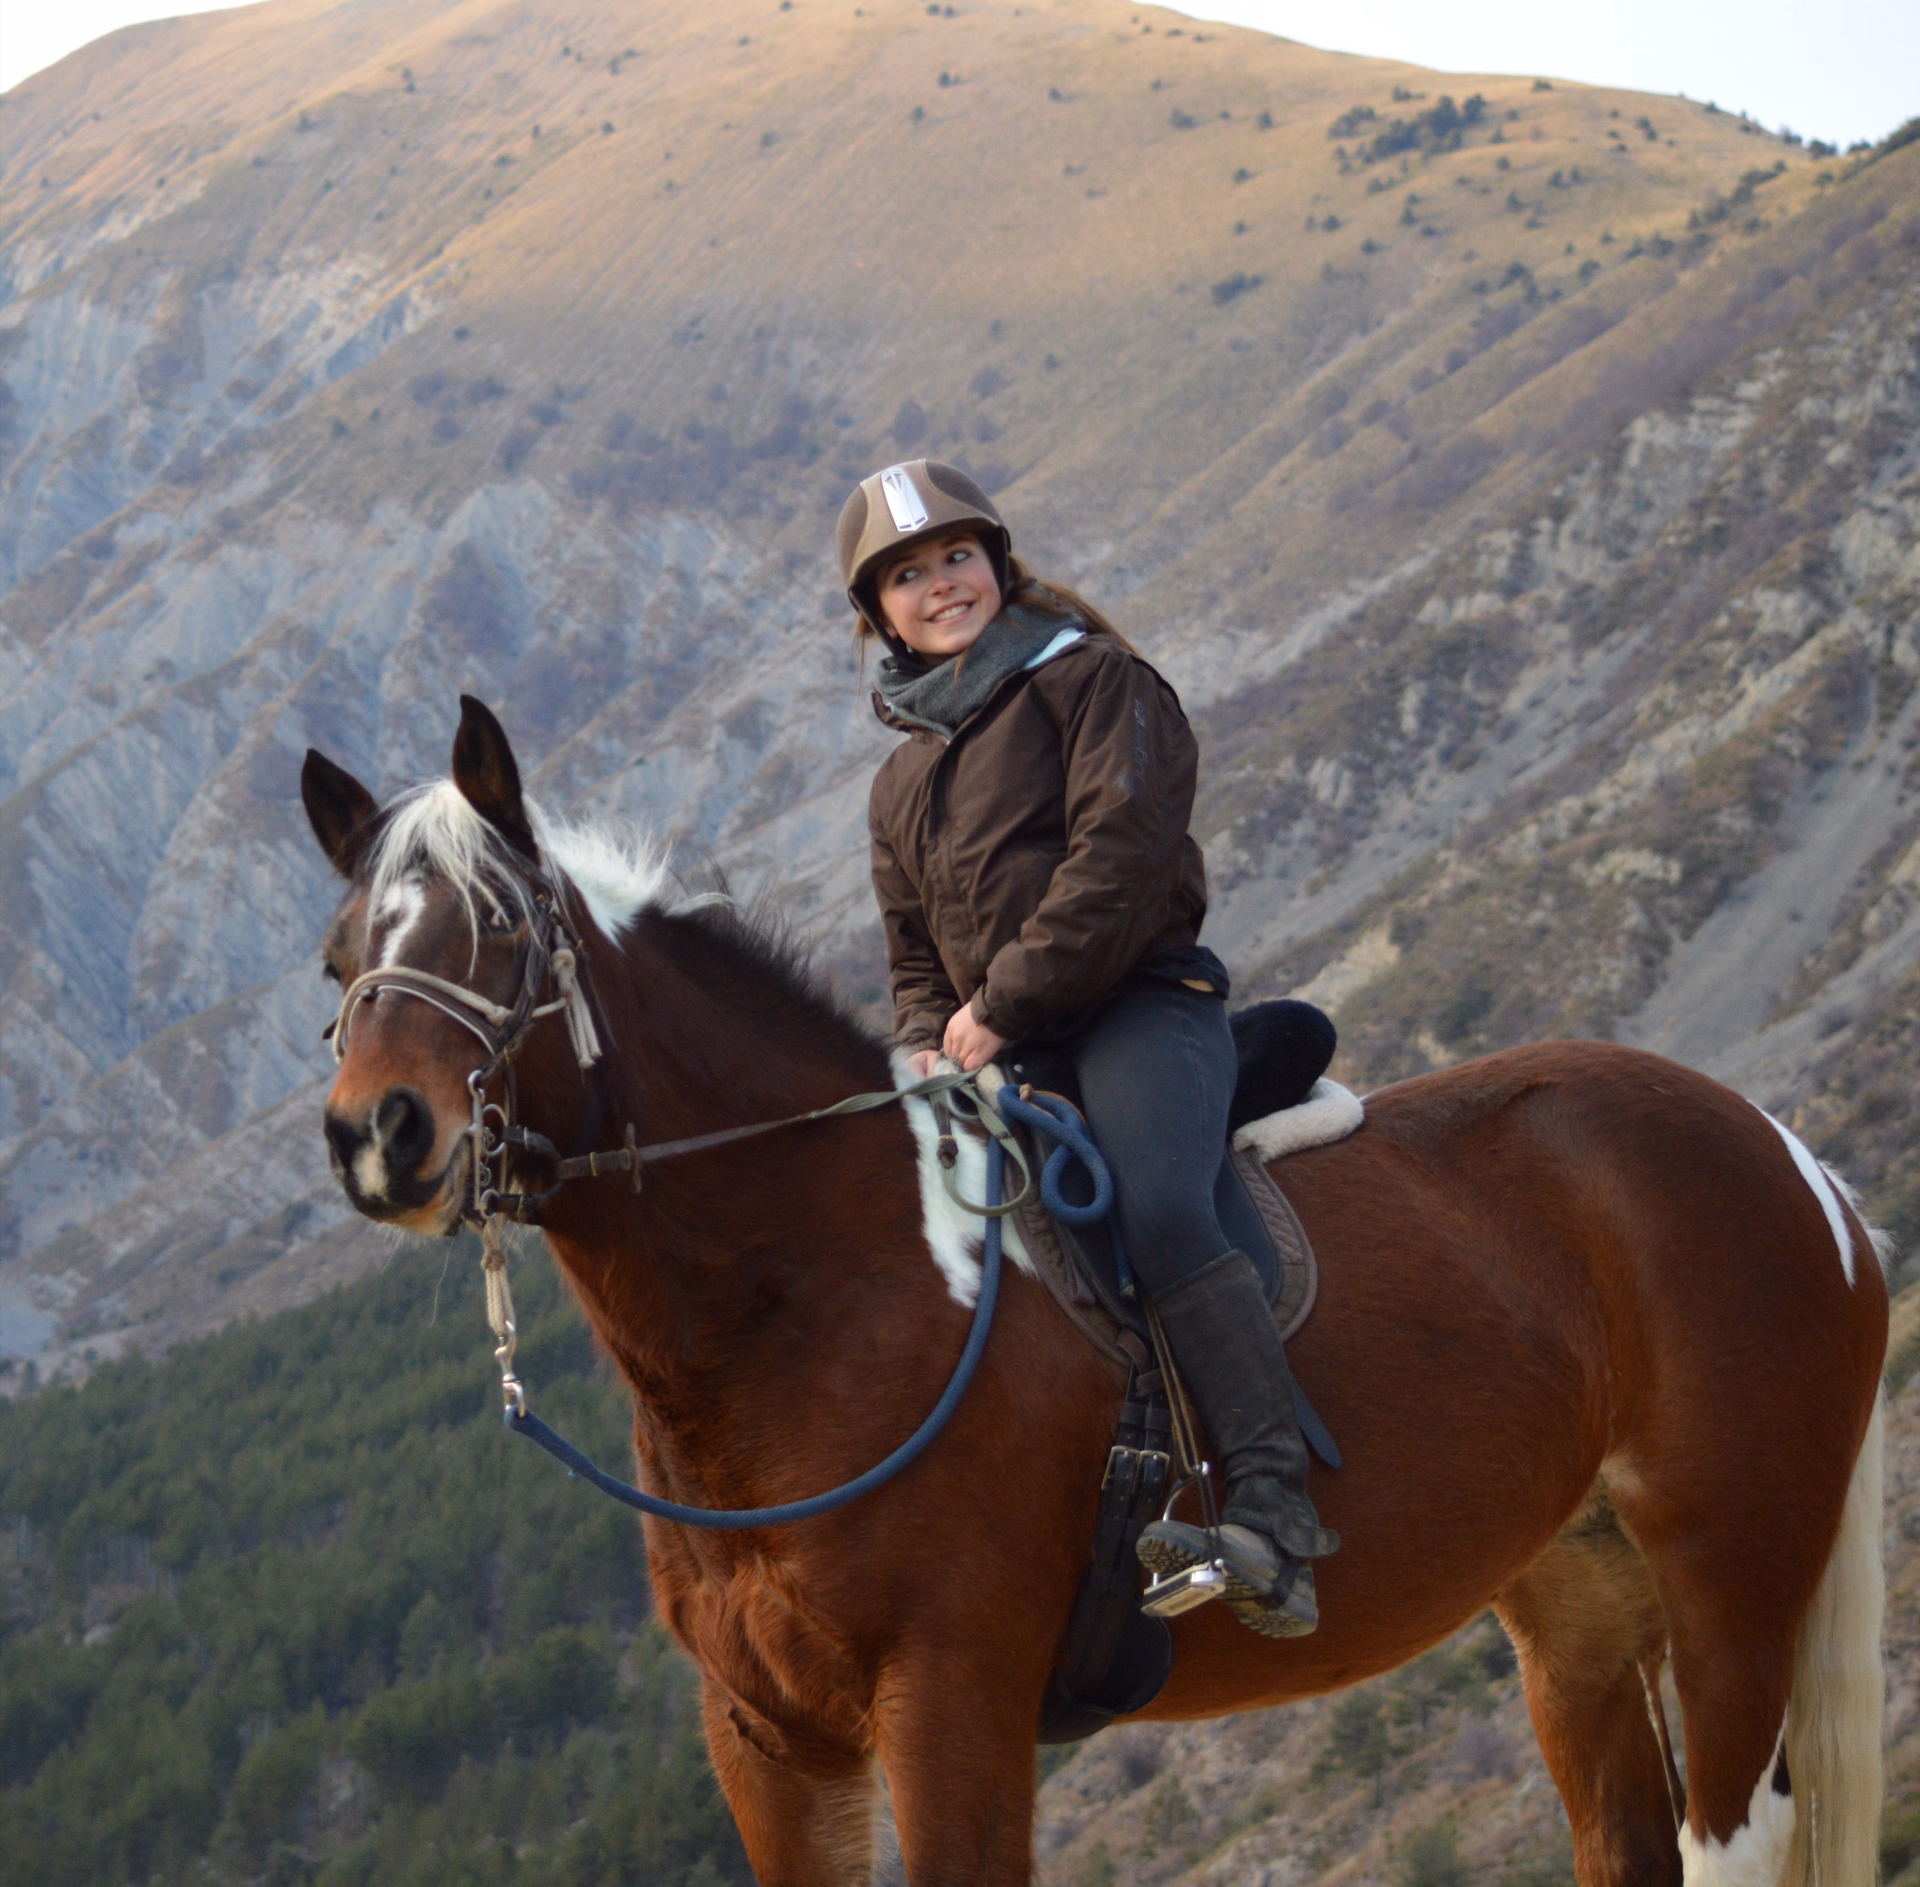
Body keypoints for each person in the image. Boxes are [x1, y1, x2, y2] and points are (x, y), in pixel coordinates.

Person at [838, 458, 1338, 1639]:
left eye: (956, 556)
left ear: (997, 562)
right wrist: (920, 1038)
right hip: (1001, 1051)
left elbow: (1122, 865)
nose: (941, 585)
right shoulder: (898, 782)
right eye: (907, 576)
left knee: (1161, 1208)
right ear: (878, 618)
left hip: (1134, 1006)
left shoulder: (1099, 682)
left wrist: (1002, 1004)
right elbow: (913, 953)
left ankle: (1274, 1516)